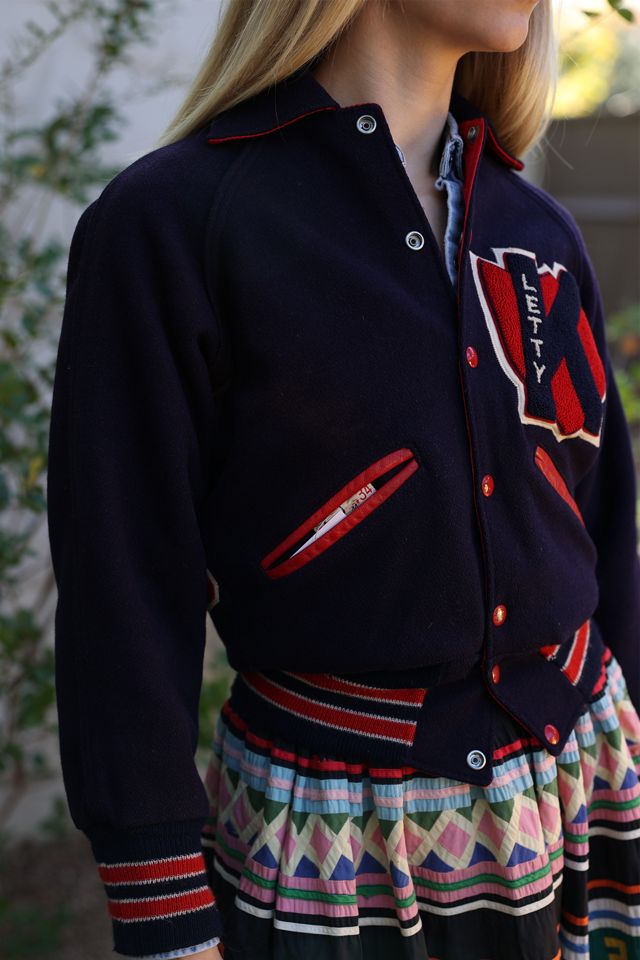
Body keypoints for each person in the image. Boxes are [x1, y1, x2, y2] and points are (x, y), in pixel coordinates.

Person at [46, 0, 640, 958]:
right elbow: (123, 586)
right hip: (339, 855)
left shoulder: (540, 232)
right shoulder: (171, 225)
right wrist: (161, 904)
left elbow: (602, 530)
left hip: (590, 796)